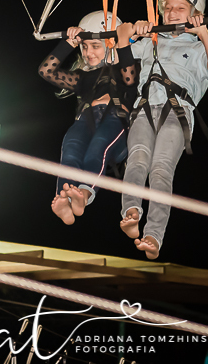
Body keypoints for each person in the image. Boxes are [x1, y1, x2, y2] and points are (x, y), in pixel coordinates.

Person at [114, 0, 208, 259]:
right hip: (143, 109)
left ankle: (154, 234)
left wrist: (204, 33)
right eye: (168, 8)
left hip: (176, 113)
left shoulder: (198, 48)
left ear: (193, 12)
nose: (173, 13)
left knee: (161, 169)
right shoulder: (152, 40)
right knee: (137, 158)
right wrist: (127, 35)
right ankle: (131, 211)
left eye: (180, 8)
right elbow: (118, 61)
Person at [37, 11, 139, 225]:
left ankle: (84, 194)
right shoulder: (83, 77)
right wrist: (70, 42)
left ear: (110, 45)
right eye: (85, 47)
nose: (88, 52)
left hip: (115, 125)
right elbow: (46, 71)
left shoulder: (124, 70)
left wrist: (123, 41)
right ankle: (64, 197)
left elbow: (130, 78)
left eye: (95, 46)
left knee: (97, 148)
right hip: (87, 120)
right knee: (70, 149)